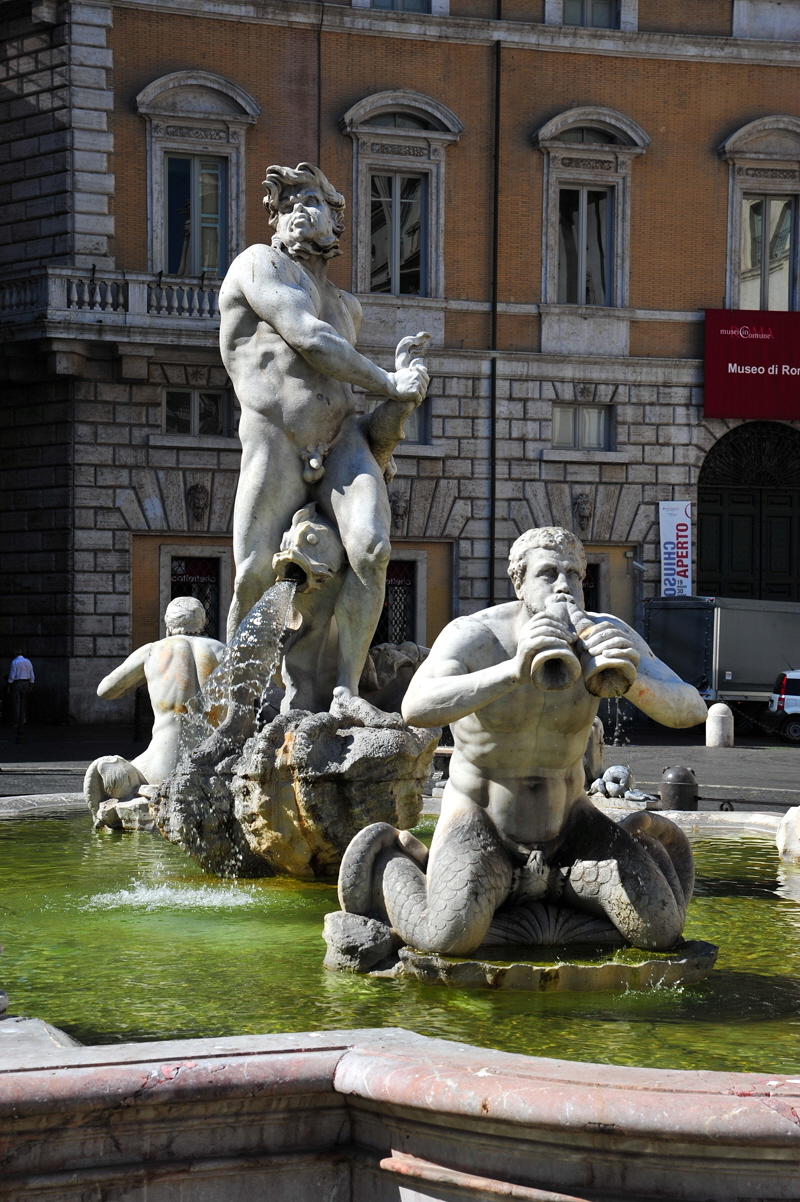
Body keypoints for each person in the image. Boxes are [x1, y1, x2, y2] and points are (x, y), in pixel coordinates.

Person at [337, 527, 708, 955]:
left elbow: (692, 709)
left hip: (571, 826)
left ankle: (553, 905)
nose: (564, 585)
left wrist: (633, 679)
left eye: (573, 574)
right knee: (449, 936)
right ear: (519, 581)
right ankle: (395, 860)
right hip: (483, 824)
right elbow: (416, 707)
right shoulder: (479, 634)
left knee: (660, 932)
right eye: (548, 573)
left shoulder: (606, 633)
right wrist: (514, 669)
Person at [218, 162, 429, 721]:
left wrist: (401, 399)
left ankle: (346, 691)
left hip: (342, 438)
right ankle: (239, 703)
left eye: (314, 203)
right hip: (276, 440)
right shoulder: (257, 266)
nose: (300, 213)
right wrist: (389, 381)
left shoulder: (348, 305)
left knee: (372, 550)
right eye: (290, 205)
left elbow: (343, 378)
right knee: (255, 573)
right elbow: (310, 341)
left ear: (336, 222)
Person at [85, 598, 226, 823]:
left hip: (162, 768)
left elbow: (106, 690)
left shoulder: (152, 651)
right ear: (202, 624)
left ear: (168, 625)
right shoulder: (223, 651)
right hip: (217, 767)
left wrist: (145, 676)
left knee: (108, 768)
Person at [7, 652, 34, 743]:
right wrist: (31, 684)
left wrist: (9, 684)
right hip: (26, 682)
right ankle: (24, 718)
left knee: (17, 701)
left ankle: (19, 720)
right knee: (24, 701)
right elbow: (31, 673)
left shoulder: (14, 662)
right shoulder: (28, 661)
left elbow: (12, 675)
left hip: (18, 682)